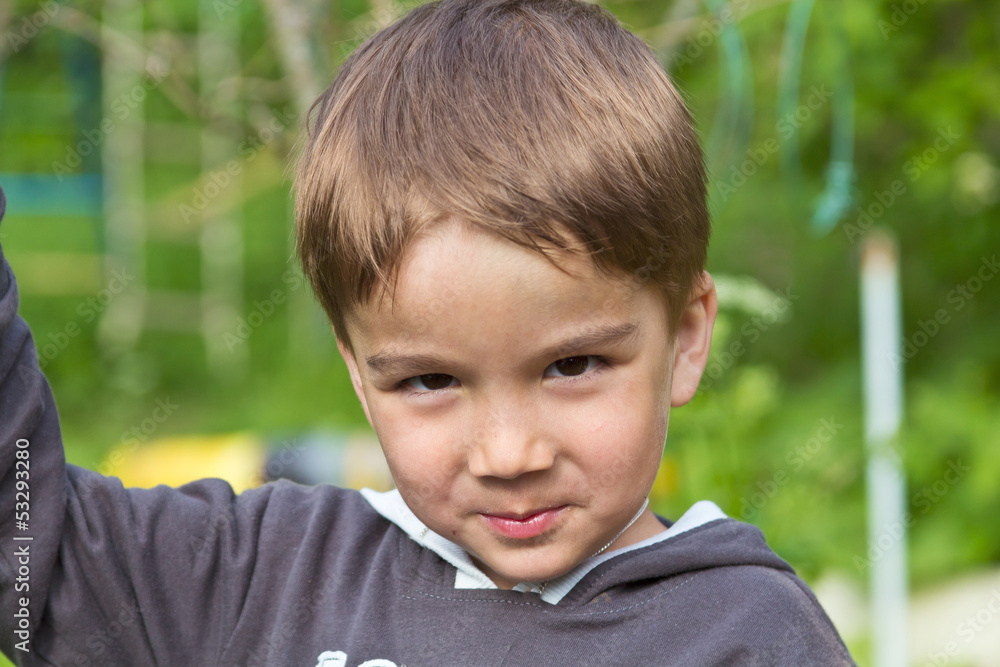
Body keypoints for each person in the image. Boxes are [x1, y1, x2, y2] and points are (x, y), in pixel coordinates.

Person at [0, 0, 855, 664]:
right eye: (431, 381)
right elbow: (34, 555)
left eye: (573, 364)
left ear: (687, 337)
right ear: (358, 371)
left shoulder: (747, 636)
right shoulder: (264, 577)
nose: (509, 453)